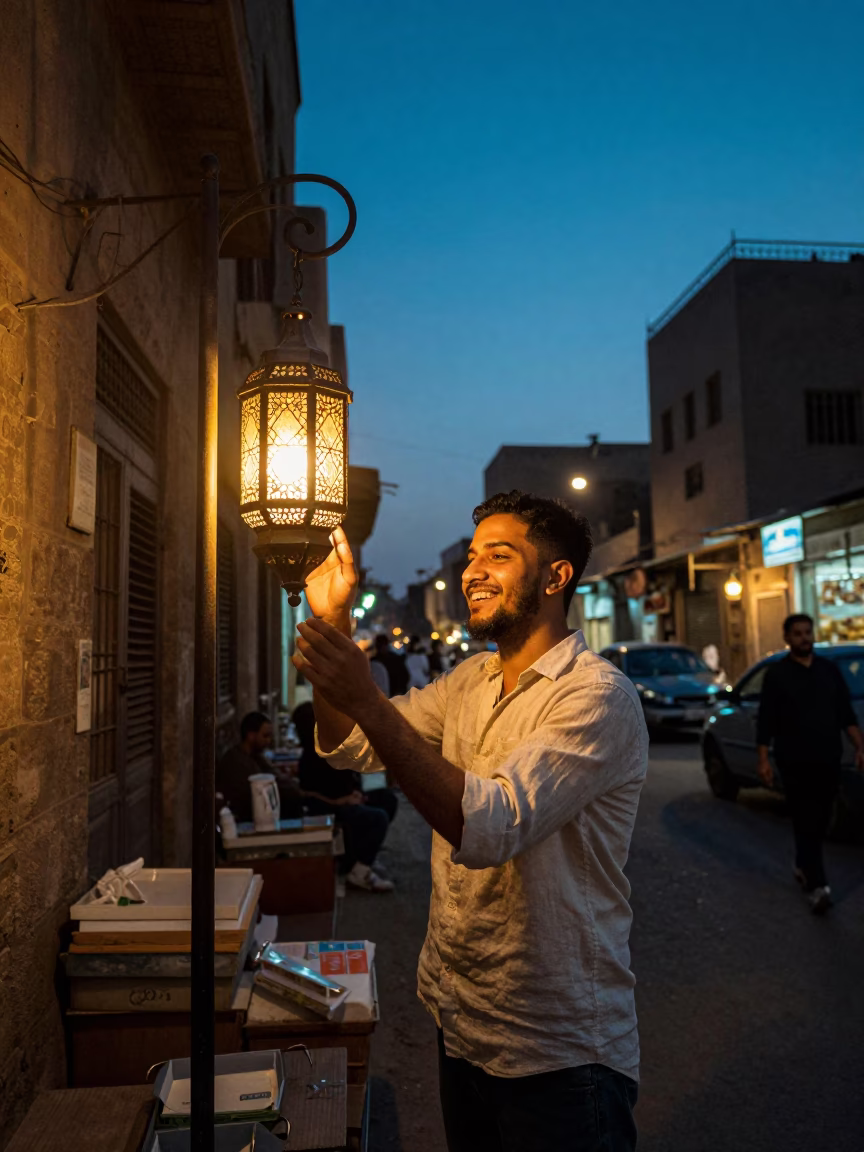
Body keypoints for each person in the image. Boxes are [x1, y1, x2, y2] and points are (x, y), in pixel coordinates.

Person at [294, 494, 648, 1152]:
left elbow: (493, 826)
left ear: (555, 576)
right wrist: (335, 622)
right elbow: (349, 746)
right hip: (462, 1025)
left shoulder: (595, 697)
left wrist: (366, 695)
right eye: (472, 554)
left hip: (558, 1052)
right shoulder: (470, 682)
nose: (472, 570)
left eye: (500, 554)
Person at [756, 613, 864, 914]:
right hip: (794, 760)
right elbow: (766, 720)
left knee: (821, 816)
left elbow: (846, 714)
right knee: (805, 817)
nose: (805, 638)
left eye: (808, 632)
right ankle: (818, 885)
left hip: (828, 758)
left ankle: (804, 864)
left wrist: (860, 746)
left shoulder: (828, 671)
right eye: (798, 633)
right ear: (787, 638)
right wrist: (763, 758)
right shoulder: (777, 675)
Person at [292, 702, 397, 892]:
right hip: (329, 808)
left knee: (387, 799)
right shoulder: (312, 755)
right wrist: (340, 801)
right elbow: (309, 794)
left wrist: (356, 793)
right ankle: (359, 872)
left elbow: (347, 777)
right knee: (377, 818)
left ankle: (362, 859)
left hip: (347, 800)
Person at [216, 711, 303, 824]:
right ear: (251, 735)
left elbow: (277, 778)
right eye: (265, 736)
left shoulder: (256, 756)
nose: (268, 741)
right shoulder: (237, 762)